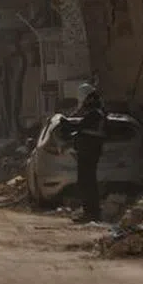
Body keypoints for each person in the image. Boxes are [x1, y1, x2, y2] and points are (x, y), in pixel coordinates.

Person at [58, 82, 107, 223]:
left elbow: (82, 126)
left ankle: (91, 213)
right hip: (88, 150)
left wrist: (67, 124)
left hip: (90, 151)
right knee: (86, 182)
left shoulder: (96, 114)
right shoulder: (96, 112)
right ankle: (89, 212)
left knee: (87, 182)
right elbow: (82, 128)